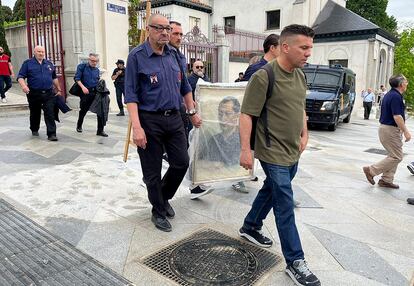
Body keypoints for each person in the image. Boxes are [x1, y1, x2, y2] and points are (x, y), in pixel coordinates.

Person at [238, 25, 320, 286]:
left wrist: (304, 132)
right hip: (271, 150)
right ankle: (296, 262)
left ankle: (251, 225)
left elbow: (299, 106)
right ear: (285, 47)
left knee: (271, 191)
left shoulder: (300, 75)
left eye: (310, 47)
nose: (309, 53)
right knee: (284, 202)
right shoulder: (263, 76)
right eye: (303, 47)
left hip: (292, 150)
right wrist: (245, 151)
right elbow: (246, 114)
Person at [124, 14, 202, 232]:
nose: (165, 33)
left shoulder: (174, 55)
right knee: (152, 171)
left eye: (167, 28)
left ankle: (162, 197)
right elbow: (130, 95)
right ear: (148, 29)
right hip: (149, 120)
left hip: (175, 117)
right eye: (159, 28)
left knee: (181, 162)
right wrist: (137, 128)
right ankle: (158, 211)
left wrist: (192, 111)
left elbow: (185, 87)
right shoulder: (136, 57)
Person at [363, 75, 411, 189]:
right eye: (406, 82)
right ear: (401, 84)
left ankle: (386, 180)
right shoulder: (395, 96)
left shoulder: (391, 94)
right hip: (390, 129)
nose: (407, 84)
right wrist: (406, 131)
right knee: (397, 157)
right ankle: (371, 170)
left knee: (393, 155)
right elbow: (397, 116)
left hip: (387, 129)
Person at [17, 45, 61, 141]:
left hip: (49, 93)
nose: (41, 53)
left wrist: (58, 88)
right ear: (34, 52)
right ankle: (34, 128)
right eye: (39, 51)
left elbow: (54, 77)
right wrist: (24, 86)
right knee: (35, 112)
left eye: (42, 52)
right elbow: (20, 76)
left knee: (50, 112)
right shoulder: (27, 63)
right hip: (34, 93)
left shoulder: (49, 64)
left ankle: (52, 134)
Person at [75, 53, 108, 137]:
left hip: (96, 92)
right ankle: (79, 125)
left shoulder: (97, 70)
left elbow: (97, 81)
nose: (94, 63)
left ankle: (100, 131)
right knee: (83, 110)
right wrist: (83, 87)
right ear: (89, 60)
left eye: (96, 61)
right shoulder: (81, 67)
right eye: (92, 61)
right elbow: (77, 78)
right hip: (85, 92)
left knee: (100, 110)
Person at [169, 20, 190, 142]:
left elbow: (184, 84)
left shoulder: (181, 57)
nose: (179, 38)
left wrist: (190, 105)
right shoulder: (162, 55)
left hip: (179, 108)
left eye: (181, 34)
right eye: (175, 34)